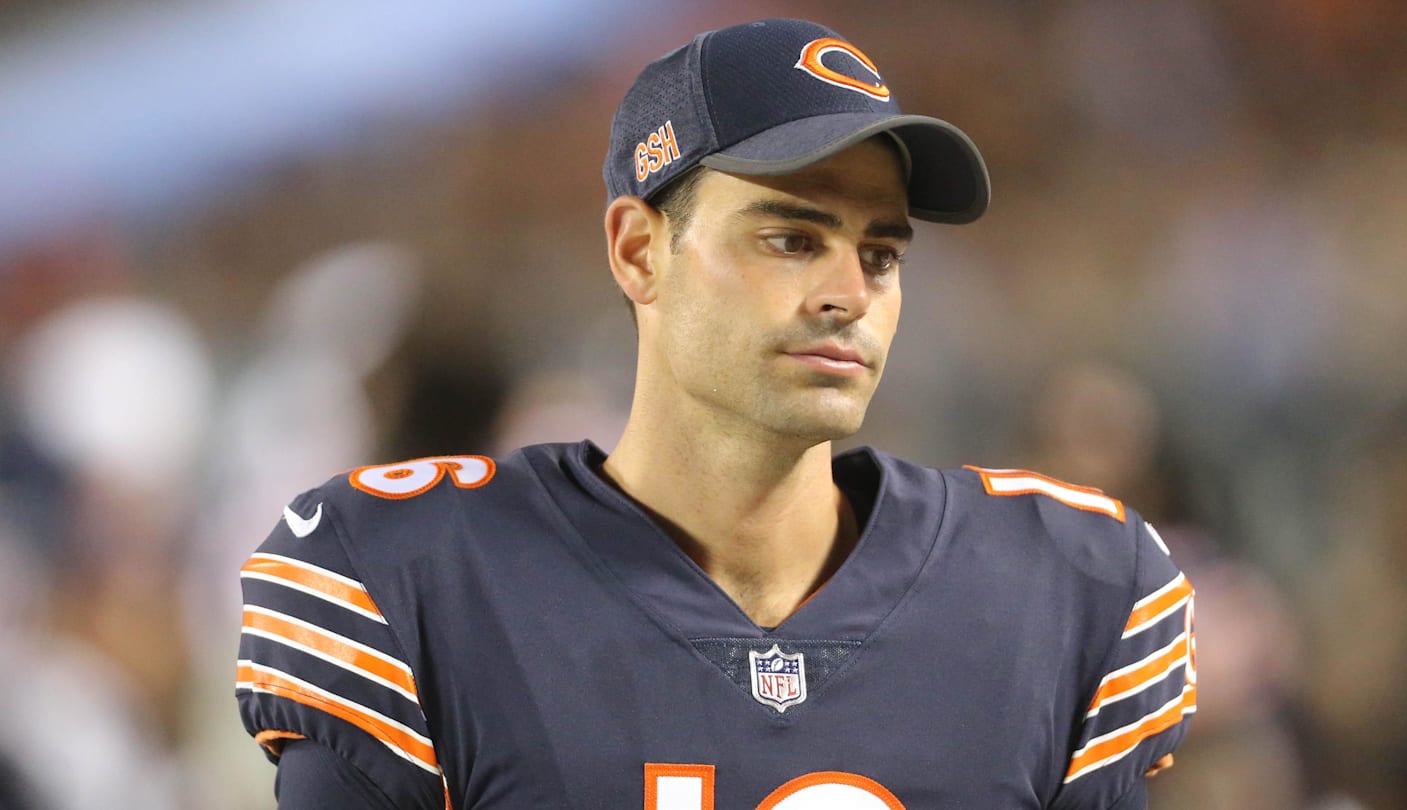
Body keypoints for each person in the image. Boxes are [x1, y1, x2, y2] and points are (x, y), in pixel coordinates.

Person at [235, 18, 1196, 809]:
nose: (848, 294)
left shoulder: (1063, 587)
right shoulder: (412, 583)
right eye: (790, 237)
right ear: (638, 251)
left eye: (882, 254)